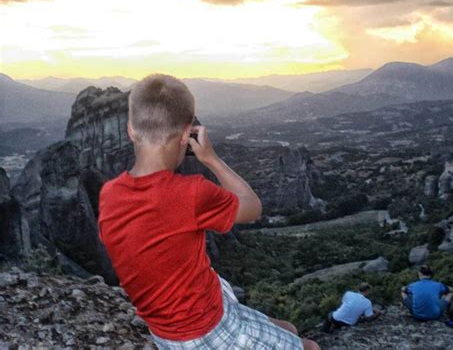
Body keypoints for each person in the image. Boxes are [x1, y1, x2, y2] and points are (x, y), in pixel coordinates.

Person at [98, 74, 320, 350]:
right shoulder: (190, 193)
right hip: (204, 330)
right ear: (185, 135)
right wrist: (211, 159)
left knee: (289, 328)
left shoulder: (109, 193)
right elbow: (252, 207)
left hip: (171, 325)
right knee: (309, 347)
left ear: (131, 130)